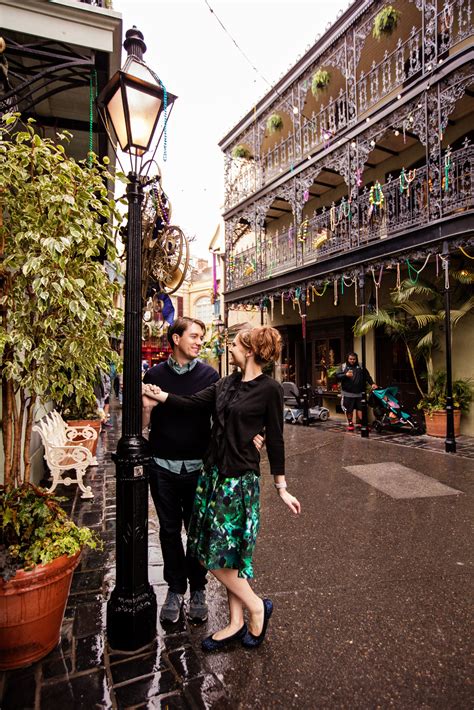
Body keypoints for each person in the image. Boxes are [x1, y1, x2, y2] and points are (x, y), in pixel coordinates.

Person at [142, 326, 301, 652]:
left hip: (238, 480)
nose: (229, 346)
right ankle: (235, 622)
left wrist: (281, 486)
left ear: (250, 350)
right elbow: (190, 403)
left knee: (211, 554)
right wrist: (158, 396)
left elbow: (276, 439)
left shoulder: (270, 389)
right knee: (223, 554)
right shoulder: (225, 383)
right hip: (213, 476)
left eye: (235, 343)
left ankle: (256, 607)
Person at [142, 317, 219, 624]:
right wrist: (146, 409)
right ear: (175, 339)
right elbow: (143, 426)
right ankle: (175, 588)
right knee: (170, 531)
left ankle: (198, 588)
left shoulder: (209, 375)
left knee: (198, 532)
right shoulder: (154, 374)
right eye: (195, 336)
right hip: (162, 467)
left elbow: (221, 418)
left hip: (199, 468)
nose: (200, 341)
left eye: (201, 337)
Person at [336, 352, 377, 431]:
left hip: (359, 393)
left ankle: (363, 424)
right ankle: (350, 423)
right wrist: (345, 375)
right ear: (347, 359)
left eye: (354, 359)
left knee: (360, 409)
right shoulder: (343, 366)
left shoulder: (361, 366)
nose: (352, 361)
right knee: (349, 410)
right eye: (350, 359)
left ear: (356, 359)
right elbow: (337, 376)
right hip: (347, 393)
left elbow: (367, 376)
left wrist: (372, 384)